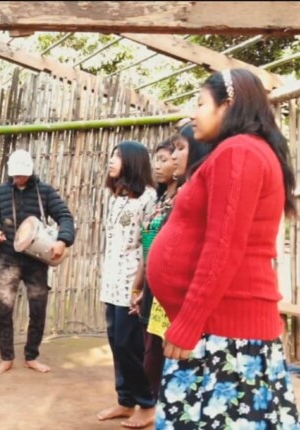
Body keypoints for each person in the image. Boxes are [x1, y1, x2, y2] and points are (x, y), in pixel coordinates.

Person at [148, 69, 300, 427]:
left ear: (228, 106)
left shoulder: (239, 152)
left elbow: (223, 247)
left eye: (201, 103)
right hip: (221, 330)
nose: (193, 114)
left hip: (224, 336)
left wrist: (187, 324)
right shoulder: (241, 151)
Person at [131, 125, 210, 421]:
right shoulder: (164, 199)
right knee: (153, 357)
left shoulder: (194, 195)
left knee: (170, 365)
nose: (169, 159)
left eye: (178, 150)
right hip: (156, 293)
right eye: (168, 153)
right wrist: (140, 287)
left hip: (180, 300)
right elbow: (151, 249)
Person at [0, 149, 75, 375]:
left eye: (23, 175)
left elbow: (65, 217)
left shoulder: (45, 191)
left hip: (37, 261)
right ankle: (7, 357)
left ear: (30, 172)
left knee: (38, 309)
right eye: (16, 175)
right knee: (3, 308)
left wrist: (63, 240)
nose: (19, 179)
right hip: (7, 258)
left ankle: (32, 356)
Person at [96, 140, 157, 427]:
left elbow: (150, 245)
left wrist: (141, 286)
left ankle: (146, 403)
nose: (111, 160)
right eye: (111, 155)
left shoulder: (149, 198)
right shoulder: (116, 197)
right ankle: (124, 400)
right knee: (115, 343)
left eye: (118, 156)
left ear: (132, 161)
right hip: (111, 280)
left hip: (132, 282)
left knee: (129, 344)